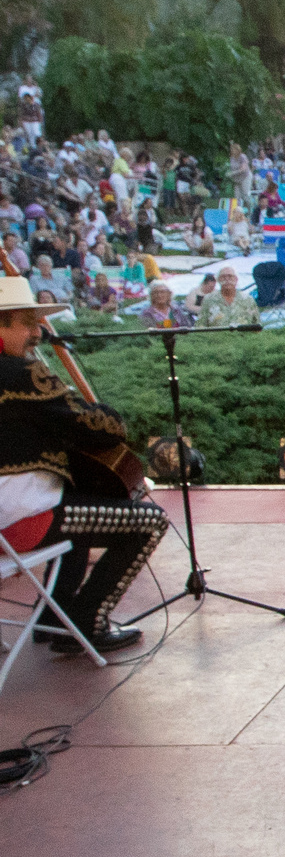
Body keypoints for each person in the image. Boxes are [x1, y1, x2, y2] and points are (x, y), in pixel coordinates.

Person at [0, 277, 167, 655]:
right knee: (150, 522)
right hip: (19, 518)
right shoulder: (19, 374)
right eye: (27, 324)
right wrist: (108, 414)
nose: (37, 334)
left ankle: (54, 620)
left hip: (9, 514)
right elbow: (97, 427)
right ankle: (87, 622)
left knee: (76, 505)